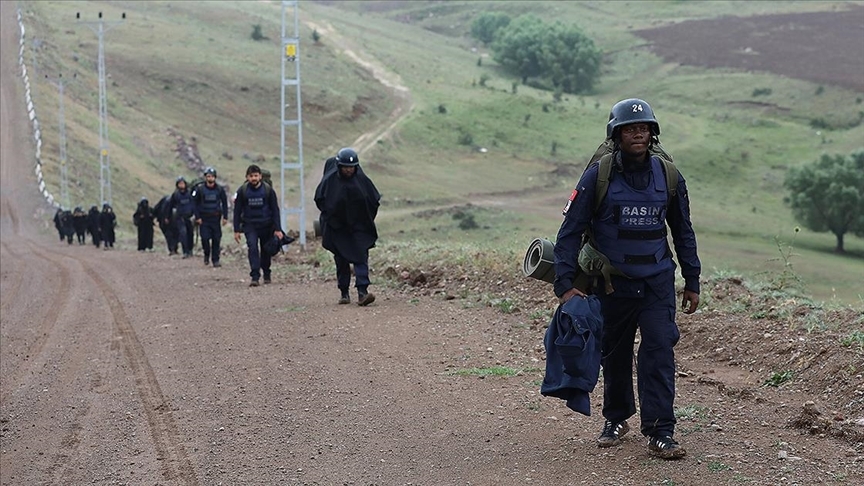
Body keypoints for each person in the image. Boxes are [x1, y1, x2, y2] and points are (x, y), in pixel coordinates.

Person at [553, 98, 700, 460]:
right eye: (630, 129)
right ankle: (616, 419)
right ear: (616, 135)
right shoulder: (597, 176)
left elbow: (683, 231)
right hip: (611, 284)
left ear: (652, 134)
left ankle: (661, 431)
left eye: (644, 128)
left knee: (659, 351)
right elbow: (569, 232)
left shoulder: (668, 176)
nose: (638, 134)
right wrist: (565, 285)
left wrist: (692, 279)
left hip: (657, 283)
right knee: (614, 355)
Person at [314, 147, 381, 306]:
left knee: (361, 256)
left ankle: (362, 292)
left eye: (351, 167)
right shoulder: (330, 181)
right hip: (338, 227)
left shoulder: (362, 181)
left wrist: (365, 220)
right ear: (339, 166)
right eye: (345, 167)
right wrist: (331, 219)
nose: (348, 170)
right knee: (341, 258)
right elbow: (320, 200)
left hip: (358, 226)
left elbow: (373, 201)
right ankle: (344, 292)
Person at [233, 164, 283, 286]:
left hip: (266, 224)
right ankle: (255, 276)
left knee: (266, 250)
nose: (254, 178)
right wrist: (236, 230)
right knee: (253, 248)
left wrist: (278, 229)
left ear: (260, 176)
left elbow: (275, 210)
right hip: (250, 226)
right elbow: (237, 211)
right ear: (247, 177)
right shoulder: (243, 191)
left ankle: (266, 273)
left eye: (256, 175)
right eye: (251, 176)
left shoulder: (268, 190)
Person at [193, 167, 228, 267]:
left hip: (215, 218)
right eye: (208, 176)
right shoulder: (200, 189)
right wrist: (197, 217)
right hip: (204, 219)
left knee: (216, 239)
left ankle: (215, 259)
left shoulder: (220, 189)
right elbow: (195, 204)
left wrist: (225, 217)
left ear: (215, 177)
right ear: (205, 177)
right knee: (205, 238)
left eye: (212, 176)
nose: (210, 178)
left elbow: (224, 203)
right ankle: (206, 254)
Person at [166, 177, 195, 258]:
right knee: (183, 234)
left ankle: (190, 250)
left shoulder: (190, 193)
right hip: (180, 217)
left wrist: (196, 215)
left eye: (183, 183)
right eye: (180, 184)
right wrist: (168, 217)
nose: (181, 185)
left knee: (190, 234)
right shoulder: (175, 195)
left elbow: (194, 204)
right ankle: (185, 251)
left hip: (189, 217)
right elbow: (170, 206)